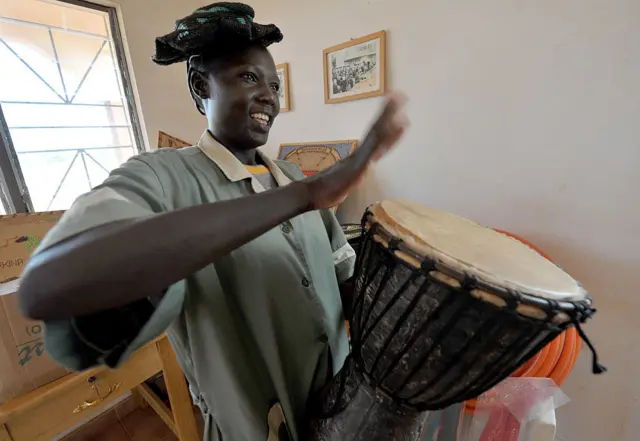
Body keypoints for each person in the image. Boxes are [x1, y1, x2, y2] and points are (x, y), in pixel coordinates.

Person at [18, 3, 408, 441]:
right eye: (248, 77)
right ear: (200, 84)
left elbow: (342, 277)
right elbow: (53, 281)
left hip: (338, 414)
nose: (269, 96)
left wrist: (409, 316)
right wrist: (309, 195)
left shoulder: (292, 176)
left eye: (274, 85)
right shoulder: (159, 177)